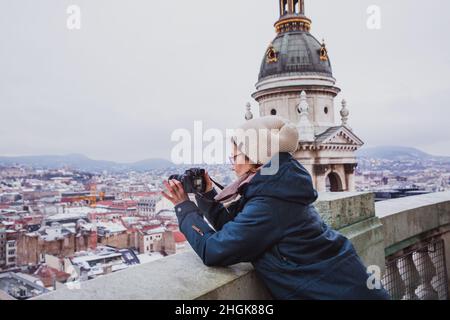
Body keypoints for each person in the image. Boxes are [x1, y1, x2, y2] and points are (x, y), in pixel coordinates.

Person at [162, 116, 391, 300]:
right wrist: (208, 193)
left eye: (235, 157)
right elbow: (239, 229)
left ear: (257, 158)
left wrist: (184, 207)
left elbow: (213, 250)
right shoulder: (279, 188)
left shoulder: (271, 203)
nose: (232, 163)